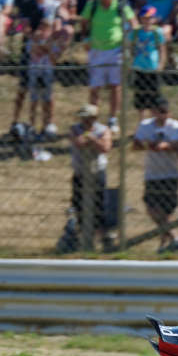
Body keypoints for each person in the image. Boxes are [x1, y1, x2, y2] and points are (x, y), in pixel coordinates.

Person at [133, 95, 178, 253]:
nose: (164, 115)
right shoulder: (145, 125)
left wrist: (165, 146)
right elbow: (136, 145)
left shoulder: (174, 125)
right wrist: (148, 145)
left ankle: (165, 243)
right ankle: (174, 237)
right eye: (161, 111)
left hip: (170, 173)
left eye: (166, 111)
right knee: (151, 208)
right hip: (152, 173)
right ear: (153, 112)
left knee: (166, 211)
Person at [81, 0, 134, 132]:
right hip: (96, 50)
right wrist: (86, 38)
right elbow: (84, 22)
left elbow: (133, 24)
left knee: (115, 86)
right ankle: (93, 119)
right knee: (95, 87)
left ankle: (112, 118)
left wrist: (127, 43)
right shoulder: (93, 5)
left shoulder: (121, 6)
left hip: (116, 51)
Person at [68, 103, 112, 248]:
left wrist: (92, 139)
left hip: (97, 172)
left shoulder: (103, 130)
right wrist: (91, 139)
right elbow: (79, 142)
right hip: (80, 172)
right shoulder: (75, 129)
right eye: (83, 118)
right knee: (78, 204)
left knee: (100, 205)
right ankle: (83, 237)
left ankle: (101, 236)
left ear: (94, 118)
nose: (85, 121)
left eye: (88, 118)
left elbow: (105, 147)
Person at [129, 6, 167, 118]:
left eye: (150, 18)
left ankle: (153, 119)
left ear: (154, 19)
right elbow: (131, 47)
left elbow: (162, 49)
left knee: (155, 95)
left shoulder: (157, 32)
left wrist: (161, 64)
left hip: (153, 68)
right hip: (139, 68)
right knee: (140, 96)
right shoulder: (136, 32)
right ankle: (142, 120)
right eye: (145, 18)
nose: (147, 20)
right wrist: (130, 62)